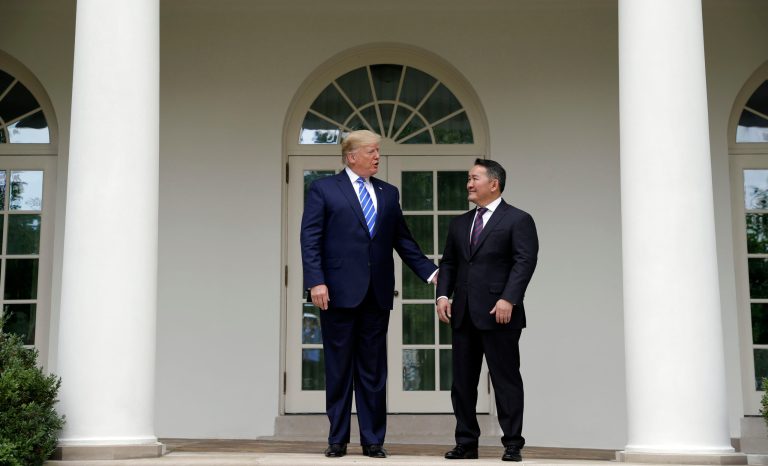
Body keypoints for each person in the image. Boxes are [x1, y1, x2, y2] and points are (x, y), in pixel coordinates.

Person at [300, 130, 438, 458]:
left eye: (378, 151)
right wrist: (316, 281)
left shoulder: (388, 194)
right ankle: (337, 439)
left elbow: (402, 240)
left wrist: (431, 272)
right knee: (338, 369)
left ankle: (373, 440)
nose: (377, 156)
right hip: (335, 294)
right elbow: (310, 239)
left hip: (376, 295)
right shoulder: (323, 189)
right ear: (352, 157)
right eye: (371, 151)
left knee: (373, 371)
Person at [436, 158, 538, 462]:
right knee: (462, 384)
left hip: (500, 313)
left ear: (494, 183)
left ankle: (512, 444)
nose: (469, 183)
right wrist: (442, 295)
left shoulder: (518, 219)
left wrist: (509, 298)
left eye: (474, 178)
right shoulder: (459, 223)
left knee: (505, 380)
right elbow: (449, 263)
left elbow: (524, 262)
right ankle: (466, 443)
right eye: (469, 178)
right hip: (463, 314)